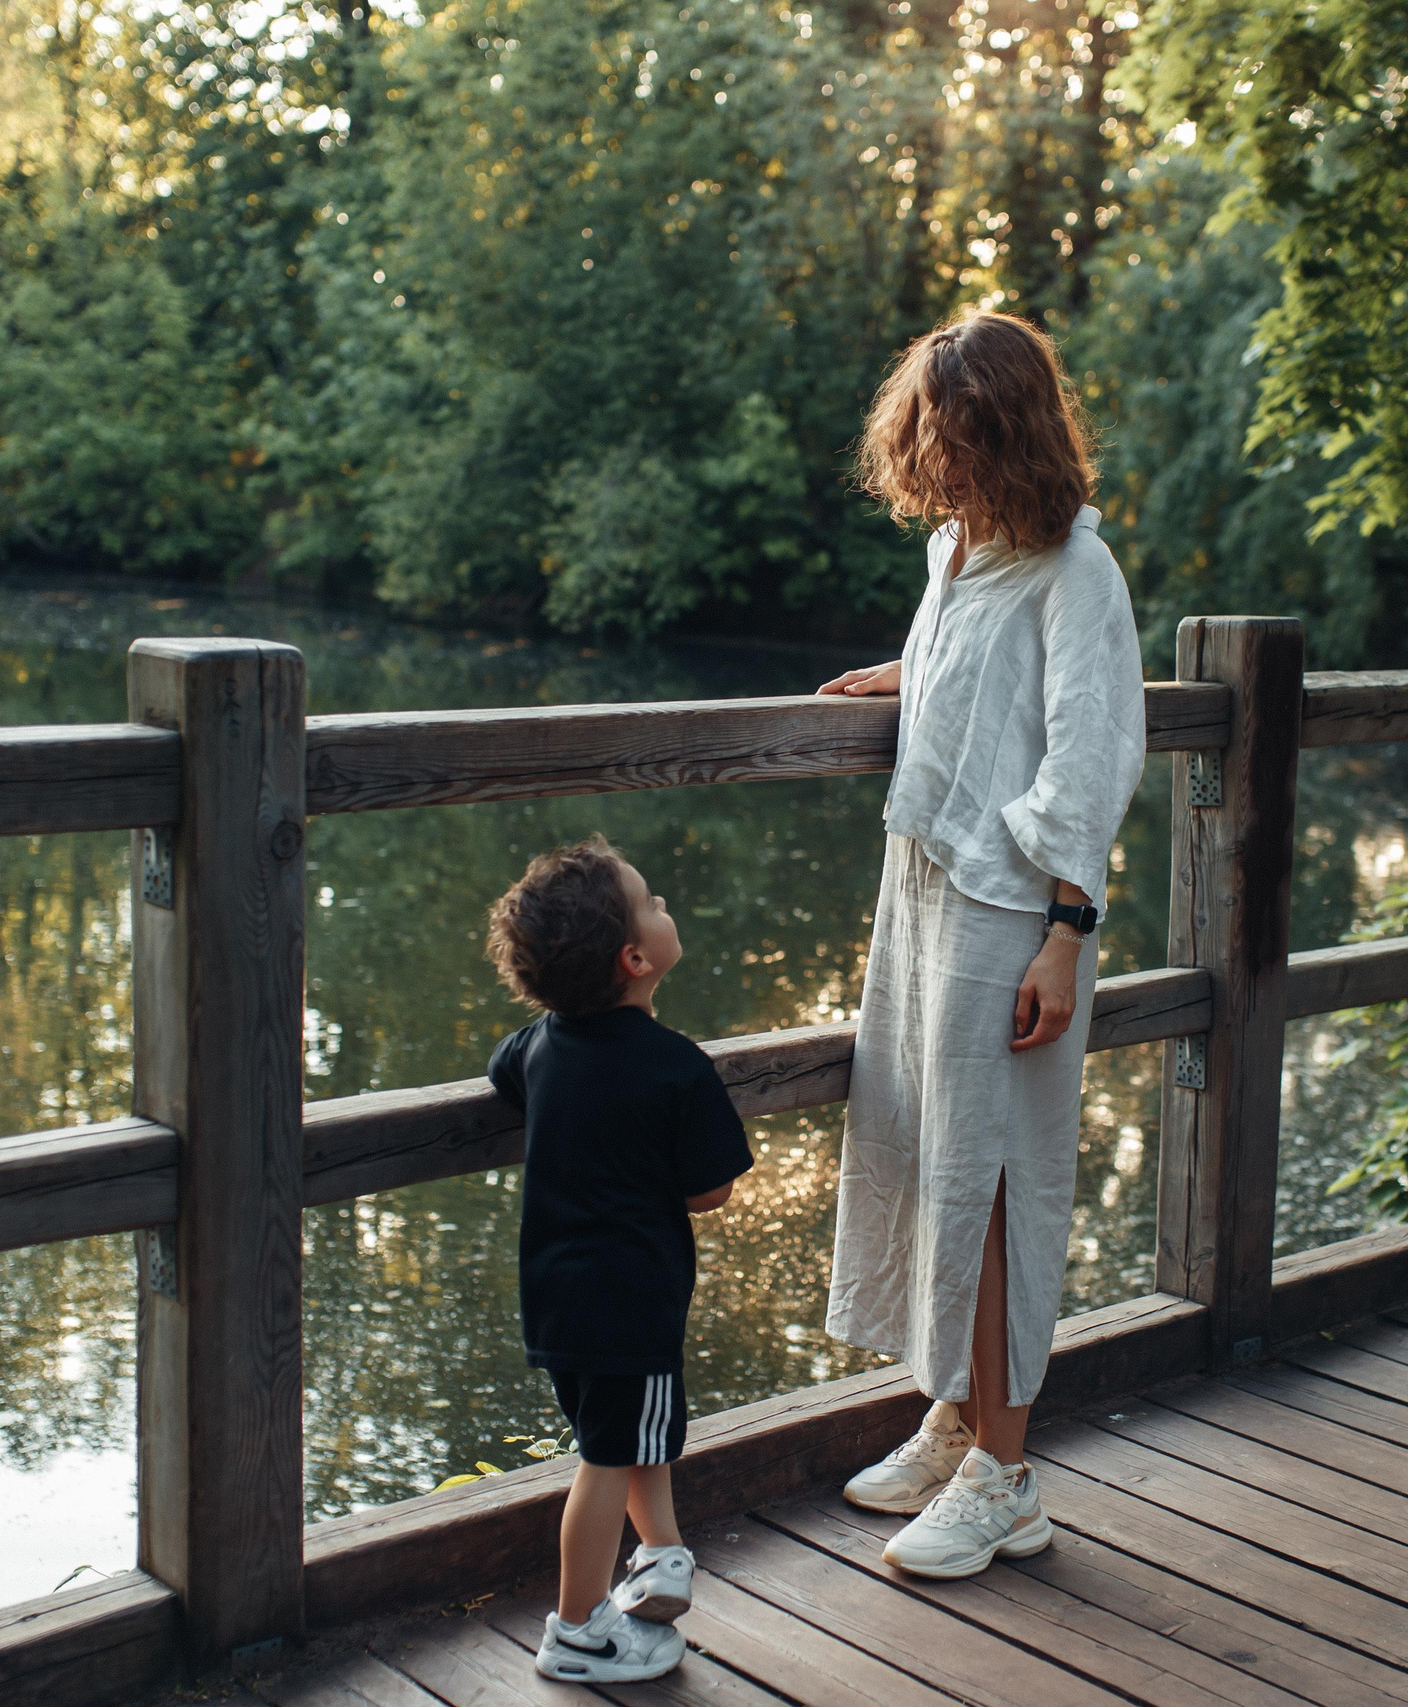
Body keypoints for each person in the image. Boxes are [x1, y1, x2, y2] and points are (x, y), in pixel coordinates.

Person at [818, 310, 1146, 1579]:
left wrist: (1067, 934)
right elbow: (976, 681)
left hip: (1013, 911)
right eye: (926, 442)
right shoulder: (958, 554)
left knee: (1000, 1176)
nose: (937, 468)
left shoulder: (1078, 573)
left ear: (1010, 435)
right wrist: (910, 672)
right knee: (928, 1151)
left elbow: (1091, 750)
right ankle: (955, 1420)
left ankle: (1008, 1480)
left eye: (959, 443)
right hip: (922, 892)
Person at [483, 836, 756, 1683]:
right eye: (653, 903)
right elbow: (711, 1190)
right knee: (608, 1455)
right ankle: (577, 1628)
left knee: (631, 1432)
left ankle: (662, 1552)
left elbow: (504, 1076)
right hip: (630, 1298)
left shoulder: (540, 1045)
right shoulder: (676, 1067)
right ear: (636, 958)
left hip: (557, 1299)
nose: (667, 902)